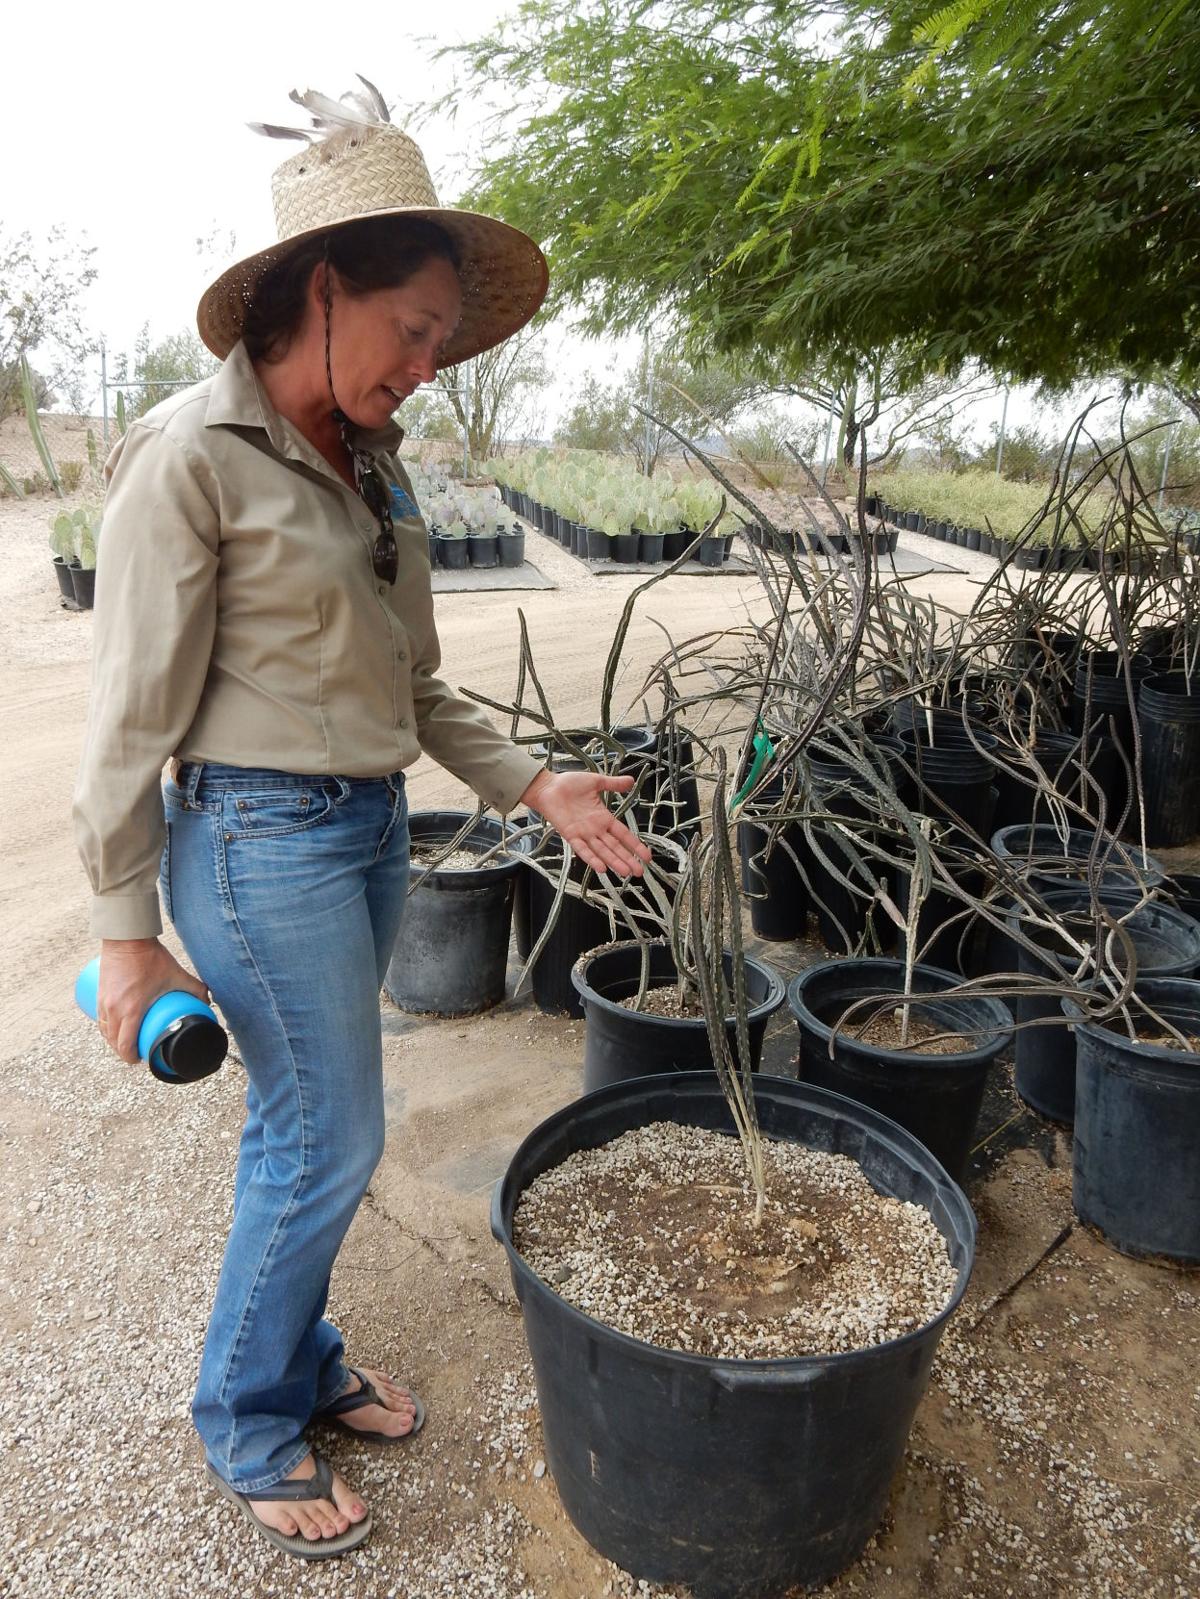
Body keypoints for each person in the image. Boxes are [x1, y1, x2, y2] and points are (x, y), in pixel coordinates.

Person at [73, 88, 650, 1562]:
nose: (429, 363)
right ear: (319, 291)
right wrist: (126, 938)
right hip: (259, 846)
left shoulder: (368, 468)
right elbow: (130, 718)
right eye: (413, 326)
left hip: (366, 832)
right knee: (327, 1137)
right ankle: (248, 1415)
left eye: (444, 341)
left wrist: (535, 781)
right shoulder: (189, 458)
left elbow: (419, 688)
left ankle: (304, 1355)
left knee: (306, 1129)